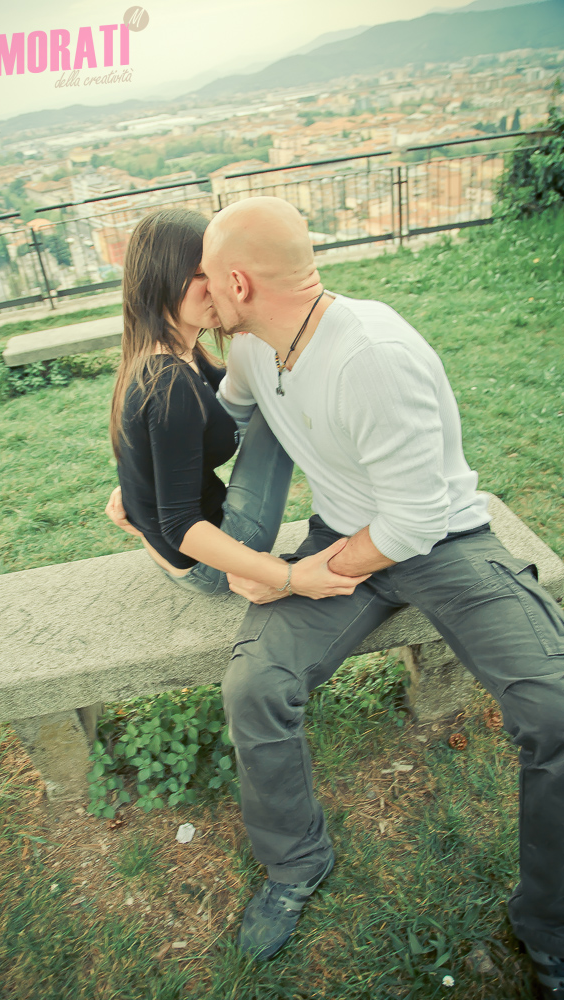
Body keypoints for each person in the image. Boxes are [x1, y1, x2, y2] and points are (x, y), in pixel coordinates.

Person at [200, 196, 564, 997]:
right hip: (340, 536)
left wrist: (303, 575)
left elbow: (414, 521)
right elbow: (214, 427)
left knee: (557, 710)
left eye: (208, 278)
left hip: (442, 543)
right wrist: (142, 482)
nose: (205, 293)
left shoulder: (371, 355)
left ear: (239, 282)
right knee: (255, 685)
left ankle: (551, 929)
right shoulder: (253, 347)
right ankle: (294, 866)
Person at [106, 207, 358, 602]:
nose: (216, 286)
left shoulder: (176, 351)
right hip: (210, 566)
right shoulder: (169, 384)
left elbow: (159, 447)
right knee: (280, 395)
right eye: (199, 275)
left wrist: (137, 490)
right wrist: (290, 577)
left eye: (217, 270)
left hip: (173, 553)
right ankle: (364, 503)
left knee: (273, 382)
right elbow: (180, 526)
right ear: (160, 280)